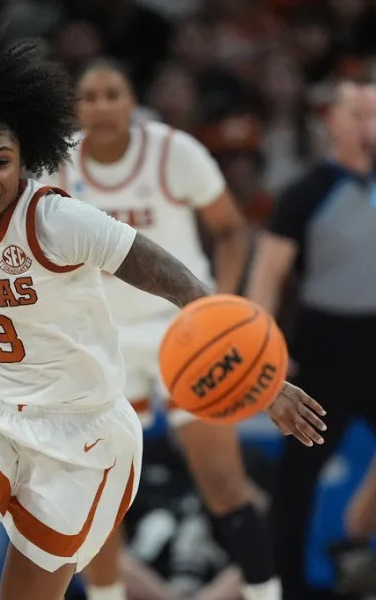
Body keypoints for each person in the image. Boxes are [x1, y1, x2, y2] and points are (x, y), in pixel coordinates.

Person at [0, 23, 326, 600]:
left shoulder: (55, 221)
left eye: (1, 160)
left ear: (24, 162)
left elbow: (180, 282)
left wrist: (261, 381)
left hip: (80, 427)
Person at [49, 60, 281, 600]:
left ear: (132, 102)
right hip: (100, 337)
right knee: (99, 490)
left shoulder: (176, 153)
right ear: (76, 108)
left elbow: (230, 231)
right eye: (90, 96)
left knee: (224, 483)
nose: (102, 105)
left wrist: (218, 311)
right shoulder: (55, 165)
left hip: (180, 330)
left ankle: (266, 595)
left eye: (113, 93)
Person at [247, 78, 376, 600]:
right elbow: (266, 277)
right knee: (296, 482)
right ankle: (285, 588)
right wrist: (265, 356)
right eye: (357, 115)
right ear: (332, 121)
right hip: (322, 350)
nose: (369, 126)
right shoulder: (306, 193)